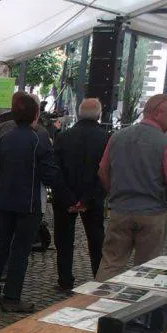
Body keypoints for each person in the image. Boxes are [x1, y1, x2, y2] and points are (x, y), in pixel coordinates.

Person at [0, 92, 61, 313]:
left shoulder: (3, 137)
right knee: (20, 250)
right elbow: (49, 175)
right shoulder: (39, 139)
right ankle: (11, 296)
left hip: (4, 198)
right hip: (29, 203)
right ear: (35, 114)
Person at [96, 94, 167, 281]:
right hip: (153, 213)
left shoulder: (117, 137)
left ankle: (98, 304)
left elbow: (102, 172)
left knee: (111, 263)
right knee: (147, 268)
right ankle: (140, 308)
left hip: (120, 210)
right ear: (156, 114)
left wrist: (115, 193)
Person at [52, 98, 108, 291]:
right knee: (96, 239)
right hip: (92, 197)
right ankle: (99, 278)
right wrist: (87, 198)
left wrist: (69, 197)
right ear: (99, 114)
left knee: (64, 239)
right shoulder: (106, 138)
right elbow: (106, 172)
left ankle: (64, 279)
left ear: (79, 112)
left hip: (64, 197)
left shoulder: (63, 136)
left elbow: (55, 170)